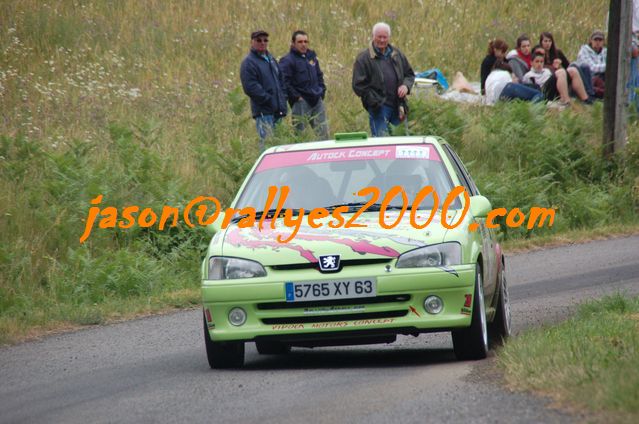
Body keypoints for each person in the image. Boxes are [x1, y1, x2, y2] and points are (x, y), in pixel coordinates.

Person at [352, 22, 415, 137]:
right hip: (378, 109)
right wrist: (374, 101)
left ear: (389, 38)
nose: (382, 40)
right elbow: (358, 85)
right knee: (382, 144)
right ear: (373, 36)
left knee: (402, 143)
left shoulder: (397, 54)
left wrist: (406, 86)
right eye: (379, 37)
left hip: (398, 106)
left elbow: (409, 74)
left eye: (384, 37)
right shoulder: (364, 58)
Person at [240, 30, 288, 152]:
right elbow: (250, 87)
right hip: (264, 111)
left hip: (278, 110)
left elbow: (281, 80)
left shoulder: (271, 59)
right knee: (267, 145)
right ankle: (268, 171)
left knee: (279, 145)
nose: (262, 43)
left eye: (265, 40)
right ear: (251, 42)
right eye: (259, 40)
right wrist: (268, 100)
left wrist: (283, 98)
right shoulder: (249, 62)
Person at [279, 30, 329, 139]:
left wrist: (321, 91)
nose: (303, 44)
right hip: (301, 102)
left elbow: (319, 75)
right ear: (293, 43)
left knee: (324, 136)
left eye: (306, 41)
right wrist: (297, 97)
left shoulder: (311, 57)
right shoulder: (287, 60)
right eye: (300, 42)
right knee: (300, 137)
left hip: (317, 100)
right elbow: (284, 82)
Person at [539, 32, 595, 100]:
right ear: (541, 42)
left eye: (550, 41)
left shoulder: (557, 53)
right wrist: (554, 68)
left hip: (561, 78)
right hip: (549, 81)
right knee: (572, 67)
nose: (548, 43)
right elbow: (538, 69)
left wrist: (559, 66)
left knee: (580, 67)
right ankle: (585, 94)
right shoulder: (538, 53)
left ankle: (587, 97)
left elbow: (568, 66)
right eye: (545, 41)